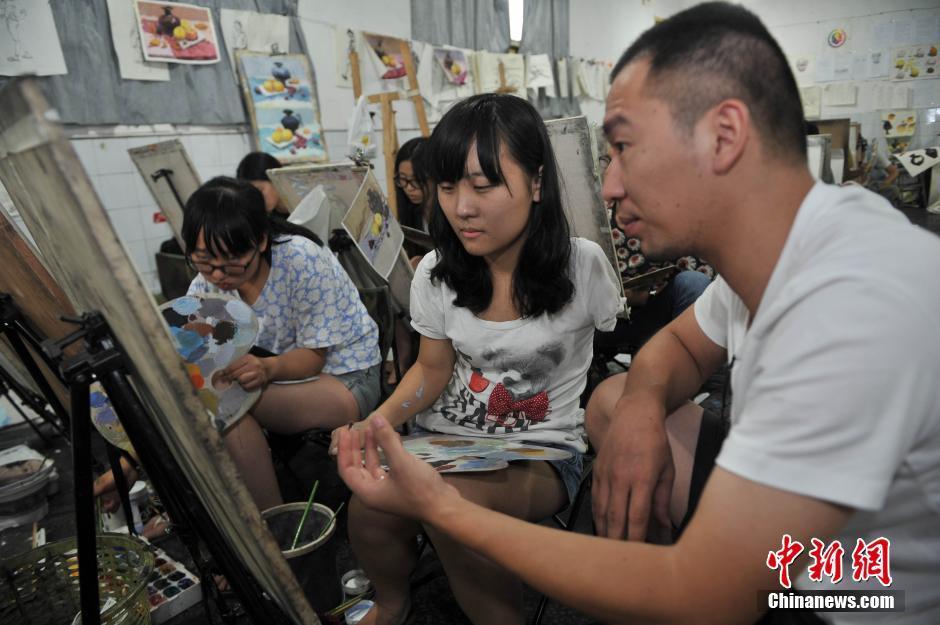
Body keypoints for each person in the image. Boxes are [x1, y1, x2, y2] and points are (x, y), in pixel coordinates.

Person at [337, 4, 940, 624]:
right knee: (614, 399)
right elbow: (679, 348)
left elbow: (708, 594)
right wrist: (643, 407)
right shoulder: (790, 246)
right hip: (808, 543)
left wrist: (441, 507)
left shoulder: (851, 307)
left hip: (853, 598)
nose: (608, 186)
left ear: (724, 136)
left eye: (624, 148)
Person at [330, 93, 623, 625]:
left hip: (540, 452)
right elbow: (431, 370)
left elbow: (618, 348)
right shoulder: (436, 272)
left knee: (448, 506)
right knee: (368, 503)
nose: (461, 207)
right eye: (447, 187)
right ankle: (392, 604)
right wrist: (377, 423)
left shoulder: (583, 265)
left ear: (537, 182)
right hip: (444, 442)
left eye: (483, 185)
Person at [184, 177, 381, 510]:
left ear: (260, 241)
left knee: (227, 405)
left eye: (231, 261)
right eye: (203, 261)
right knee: (205, 398)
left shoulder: (302, 260)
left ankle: (276, 523)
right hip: (273, 379)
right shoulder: (207, 284)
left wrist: (267, 368)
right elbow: (195, 352)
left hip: (345, 374)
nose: (217, 275)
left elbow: (314, 358)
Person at [393, 136, 433, 266]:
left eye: (416, 180)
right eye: (403, 179)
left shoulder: (451, 215)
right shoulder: (411, 213)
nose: (409, 188)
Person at [236, 151, 290, 217]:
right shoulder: (266, 215)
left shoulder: (299, 205)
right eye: (250, 194)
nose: (256, 199)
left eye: (259, 190)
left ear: (276, 180)